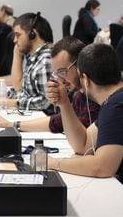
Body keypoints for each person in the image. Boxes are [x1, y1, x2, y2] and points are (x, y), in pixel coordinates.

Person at [0, 37, 100, 132]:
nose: (60, 79)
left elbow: (82, 145)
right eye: (56, 73)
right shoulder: (80, 96)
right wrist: (12, 124)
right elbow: (57, 121)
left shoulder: (97, 99)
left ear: (80, 65)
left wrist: (64, 104)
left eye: (63, 72)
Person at [46, 44, 123, 182]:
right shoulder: (114, 101)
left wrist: (53, 163)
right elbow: (83, 144)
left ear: (85, 80)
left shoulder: (116, 106)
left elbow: (102, 167)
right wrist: (64, 103)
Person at [0, 12, 54, 112]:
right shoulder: (34, 58)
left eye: (18, 35)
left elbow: (46, 102)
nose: (14, 40)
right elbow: (22, 91)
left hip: (42, 122)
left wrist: (14, 102)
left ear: (32, 34)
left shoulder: (46, 60)